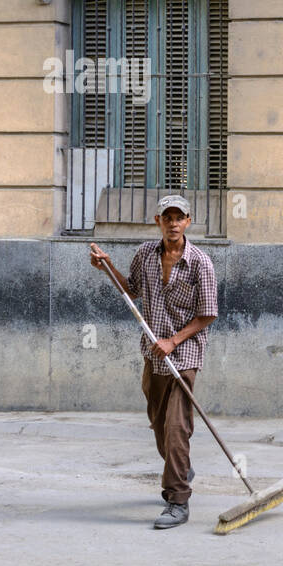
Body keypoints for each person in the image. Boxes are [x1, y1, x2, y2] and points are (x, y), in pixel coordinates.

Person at [88, 195, 218, 529]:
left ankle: (177, 500)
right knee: (159, 427)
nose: (173, 223)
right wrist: (107, 265)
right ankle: (180, 467)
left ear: (188, 221)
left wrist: (173, 340)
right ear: (158, 221)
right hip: (152, 353)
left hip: (184, 352)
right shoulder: (146, 253)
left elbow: (207, 315)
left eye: (180, 217)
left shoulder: (201, 263)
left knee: (177, 428)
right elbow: (129, 289)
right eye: (167, 217)